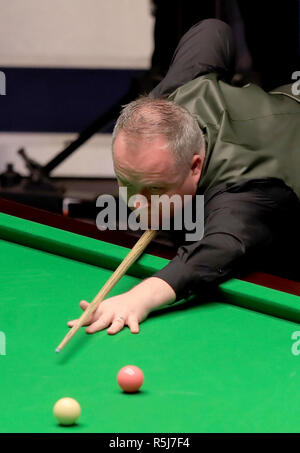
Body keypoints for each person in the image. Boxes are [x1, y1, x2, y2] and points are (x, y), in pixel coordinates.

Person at [68, 19, 300, 335]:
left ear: (195, 166)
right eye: (126, 182)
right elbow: (213, 30)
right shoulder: (180, 91)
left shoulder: (245, 191)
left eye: (154, 188)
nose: (137, 204)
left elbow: (221, 246)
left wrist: (140, 297)